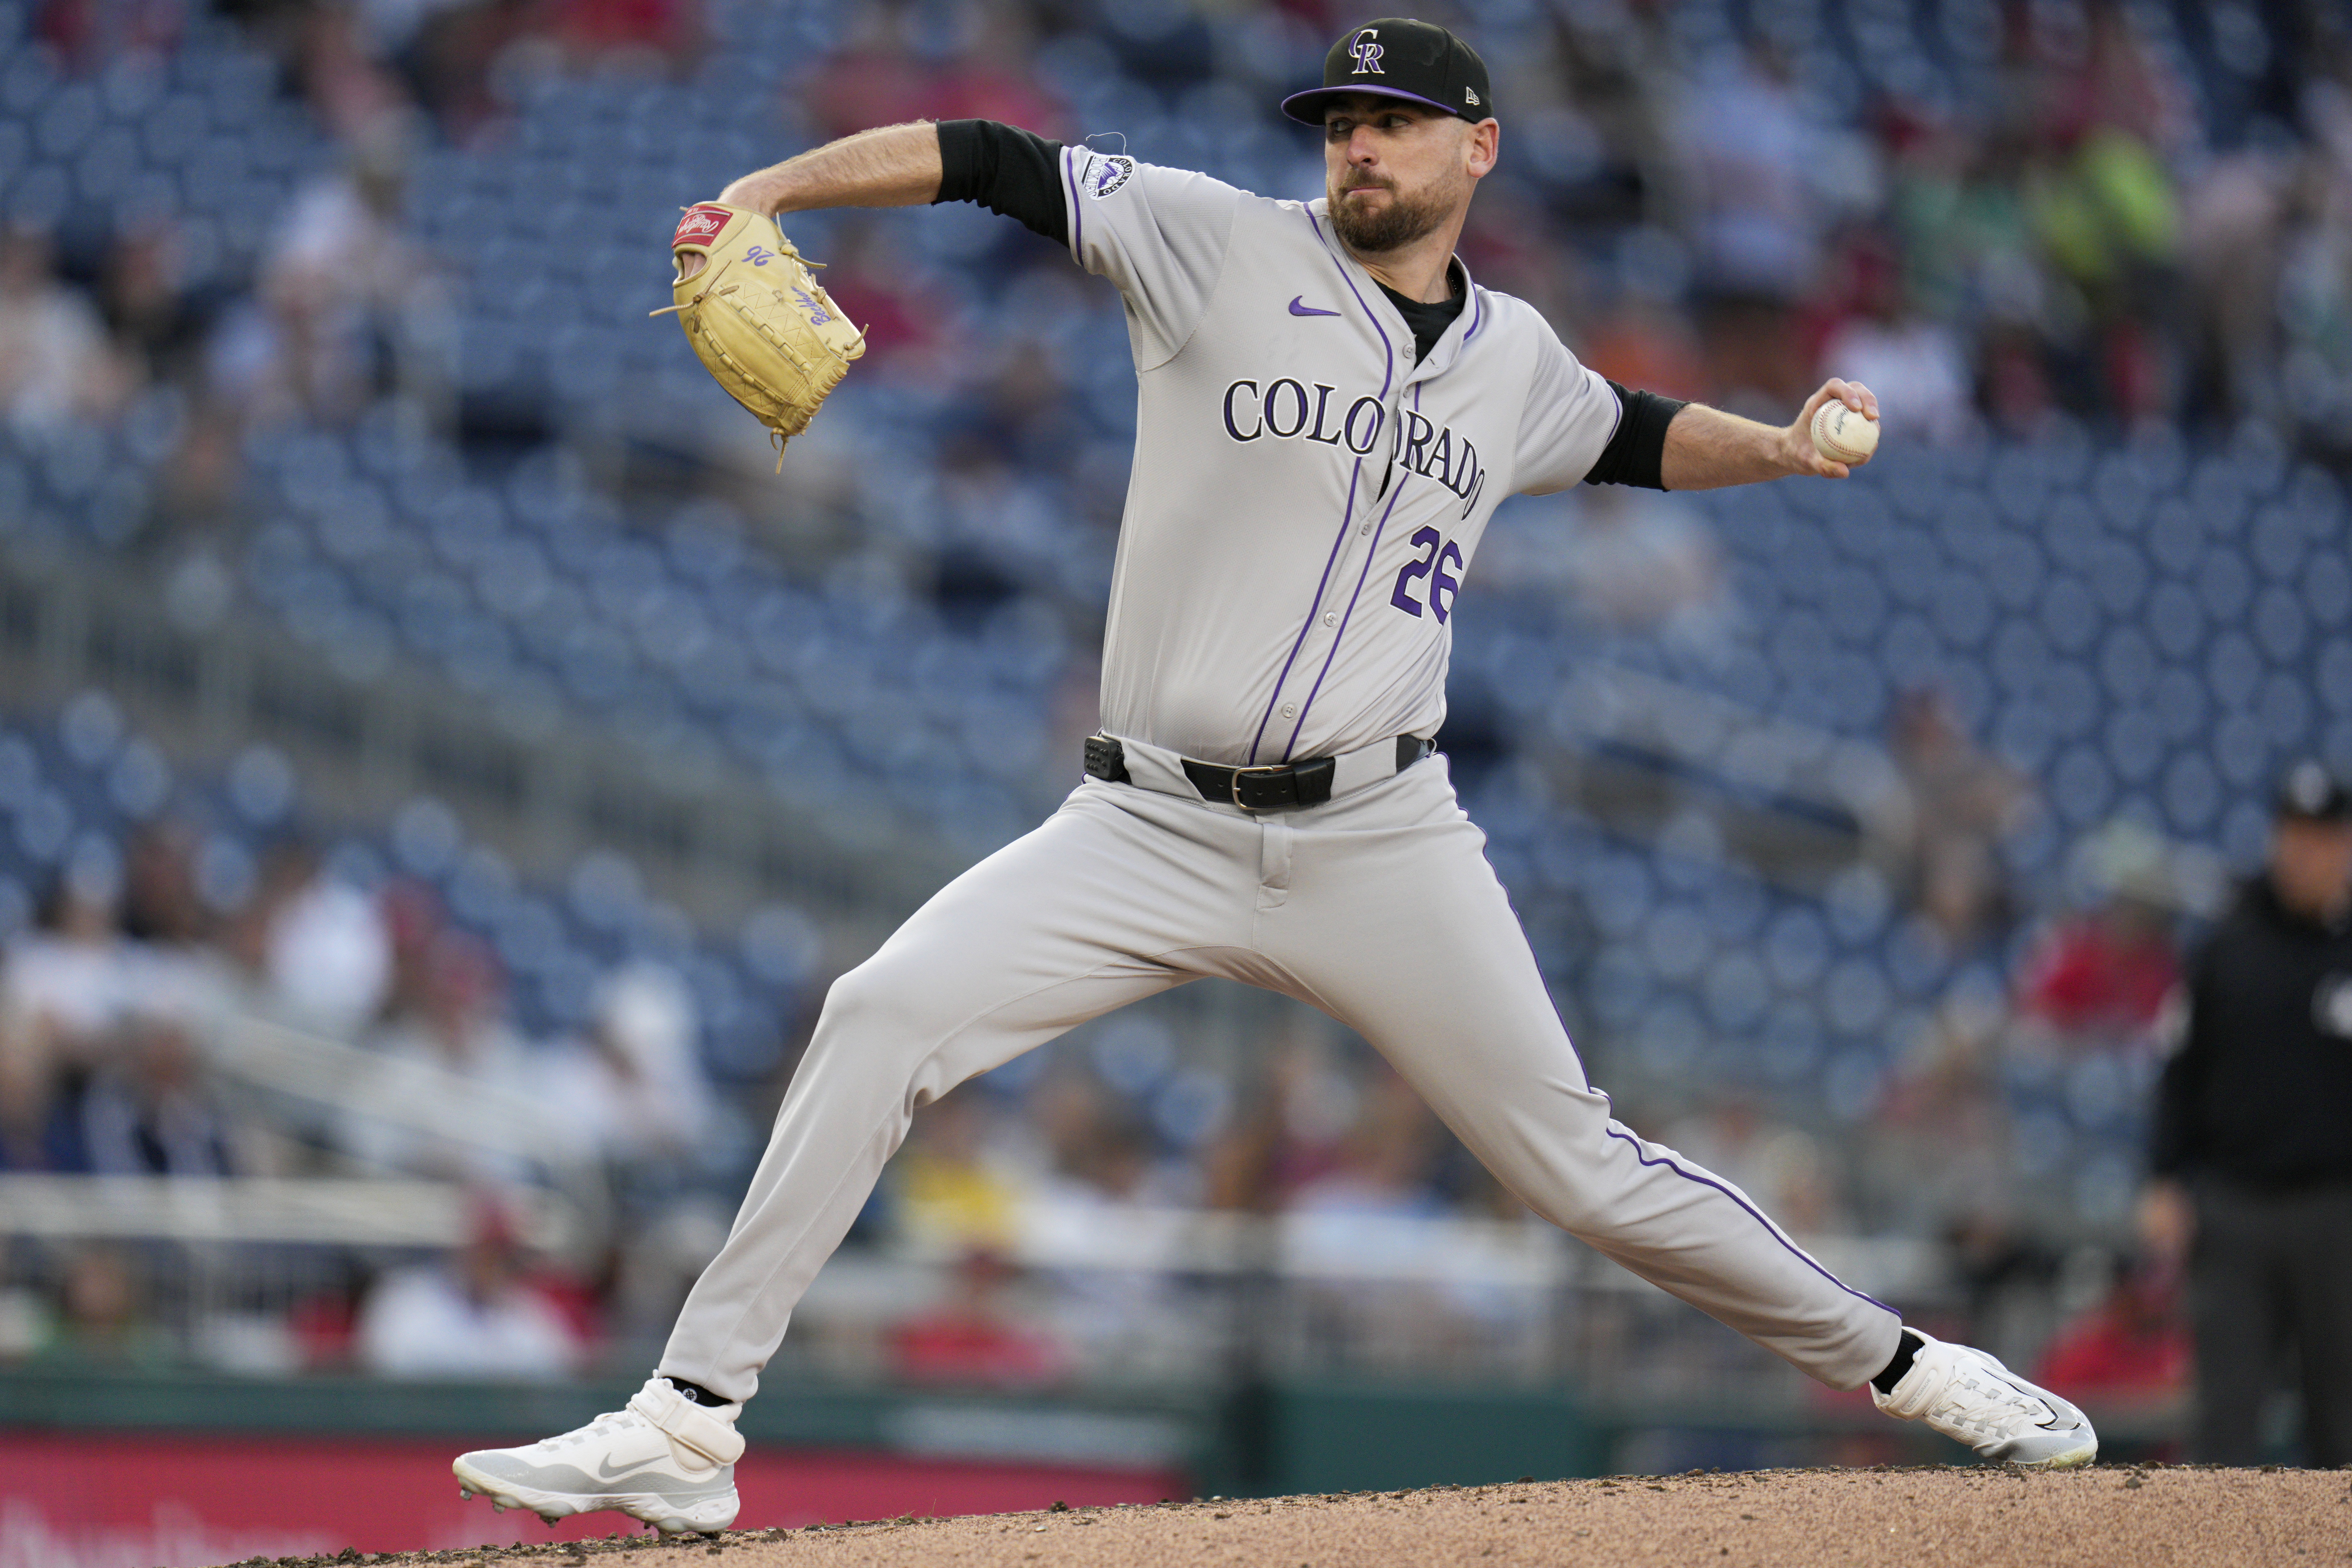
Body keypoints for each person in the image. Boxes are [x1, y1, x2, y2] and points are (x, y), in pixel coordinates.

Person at [454, 18, 2096, 1535]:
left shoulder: (1514, 358)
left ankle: (1911, 1371)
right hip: (1148, 819)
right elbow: (984, 154)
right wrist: (764, 186)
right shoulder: (1213, 237)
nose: (1358, 146)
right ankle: (688, 1421)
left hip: (1383, 831)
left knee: (1578, 1168)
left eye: (1393, 122)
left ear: (1479, 150)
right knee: (880, 1010)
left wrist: (1785, 446)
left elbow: (1631, 431)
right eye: (1341, 121)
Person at [2140, 759, 2352, 1466]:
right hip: (2234, 1209)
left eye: (2322, 837)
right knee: (2225, 1409)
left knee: (2342, 1405)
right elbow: (2177, 1068)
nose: (2305, 852)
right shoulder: (2225, 949)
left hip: (2337, 1207)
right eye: (2293, 835)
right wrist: (2163, 1176)